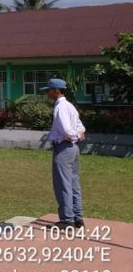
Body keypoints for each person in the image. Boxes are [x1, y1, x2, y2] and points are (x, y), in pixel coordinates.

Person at [42, 78, 86, 230]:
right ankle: (78, 218)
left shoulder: (60, 107)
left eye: (49, 90)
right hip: (73, 149)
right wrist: (78, 134)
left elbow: (67, 130)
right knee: (74, 183)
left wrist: (74, 135)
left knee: (63, 184)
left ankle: (67, 220)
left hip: (63, 148)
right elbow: (80, 126)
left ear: (56, 90)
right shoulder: (70, 106)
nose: (47, 93)